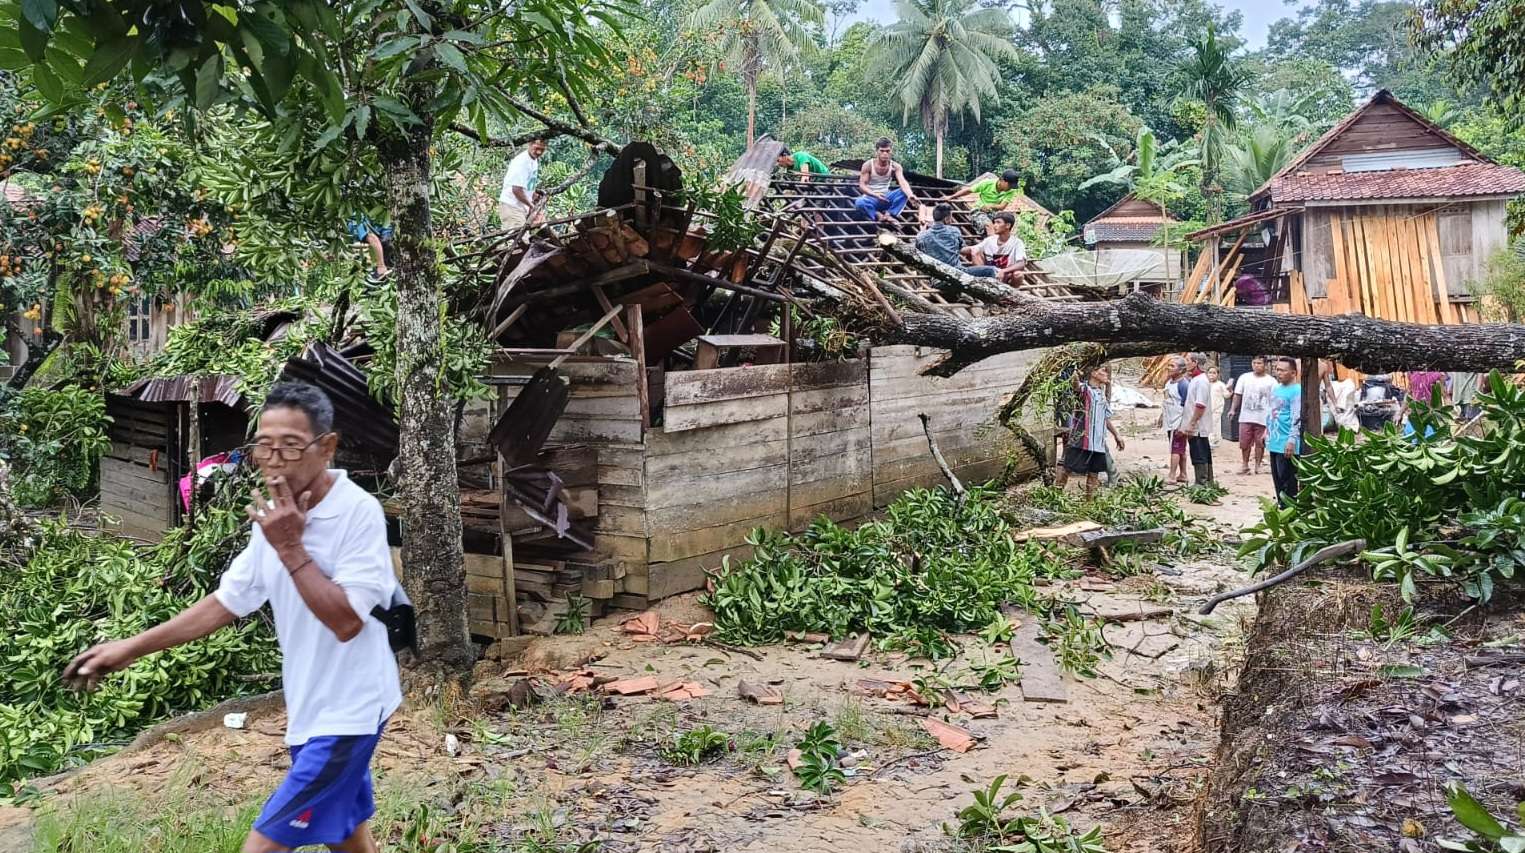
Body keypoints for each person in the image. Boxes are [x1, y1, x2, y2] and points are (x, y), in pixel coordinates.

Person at [64, 383, 401, 853]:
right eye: (264, 446)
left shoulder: (357, 513)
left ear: (326, 448)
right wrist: (129, 648)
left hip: (352, 711)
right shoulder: (274, 521)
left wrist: (291, 549)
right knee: (347, 837)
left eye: (290, 446)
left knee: (263, 844)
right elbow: (227, 603)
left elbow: (346, 621)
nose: (274, 459)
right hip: (309, 706)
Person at [1055, 363, 1125, 497]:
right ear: (1093, 373)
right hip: (1081, 440)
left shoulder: (1102, 395)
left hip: (1097, 442)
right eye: (1103, 370)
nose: (1106, 373)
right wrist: (1076, 370)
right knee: (1067, 468)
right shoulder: (1085, 390)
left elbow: (1105, 417)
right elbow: (1075, 384)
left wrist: (1116, 434)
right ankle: (1055, 496)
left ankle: (1089, 502)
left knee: (1094, 473)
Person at [916, 203, 998, 277]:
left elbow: (919, 250)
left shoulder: (921, 235)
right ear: (947, 219)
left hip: (936, 278)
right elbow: (960, 248)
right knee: (991, 270)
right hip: (957, 275)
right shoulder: (953, 231)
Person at [1228, 356, 1276, 476]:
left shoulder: (1271, 381)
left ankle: (1258, 465)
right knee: (1244, 442)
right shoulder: (1244, 378)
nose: (1256, 365)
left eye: (1259, 363)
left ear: (1265, 365)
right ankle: (1244, 464)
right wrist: (1233, 409)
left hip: (1263, 417)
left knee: (1260, 443)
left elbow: (1275, 400)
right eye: (1254, 363)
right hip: (1246, 416)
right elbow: (1237, 394)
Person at [853, 137, 919, 225]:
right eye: (882, 151)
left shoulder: (895, 166)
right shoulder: (868, 165)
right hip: (871, 197)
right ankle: (878, 215)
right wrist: (875, 195)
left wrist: (910, 195)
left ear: (891, 151)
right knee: (859, 202)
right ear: (877, 151)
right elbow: (862, 186)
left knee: (904, 192)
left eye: (887, 151)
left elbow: (902, 182)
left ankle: (889, 214)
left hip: (886, 197)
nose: (885, 154)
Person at [1266, 356, 1303, 506]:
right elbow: (1271, 411)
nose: (1278, 373)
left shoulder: (1297, 391)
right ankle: (1281, 505)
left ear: (1293, 373)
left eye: (1282, 370)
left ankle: (1290, 508)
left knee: (1288, 478)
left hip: (1287, 441)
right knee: (1277, 478)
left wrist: (1292, 440)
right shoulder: (1276, 388)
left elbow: (1296, 416)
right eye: (1277, 369)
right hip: (1274, 439)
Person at [1177, 352, 1216, 486]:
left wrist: (1192, 423)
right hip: (1196, 424)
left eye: (1188, 360)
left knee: (1199, 452)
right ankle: (1208, 481)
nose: (1185, 362)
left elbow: (1200, 405)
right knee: (1202, 450)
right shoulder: (1194, 379)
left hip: (1198, 426)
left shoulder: (1201, 381)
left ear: (1195, 363)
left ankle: (1202, 482)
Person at [948, 168, 1023, 233]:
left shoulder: (1011, 191)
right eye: (1009, 185)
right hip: (978, 211)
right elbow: (969, 190)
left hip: (993, 214)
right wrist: (951, 196)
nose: (1011, 188)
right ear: (1002, 180)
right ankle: (993, 246)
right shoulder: (987, 183)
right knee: (989, 225)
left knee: (1006, 224)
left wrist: (990, 206)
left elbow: (1002, 206)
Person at [499, 137, 548, 229]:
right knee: (519, 240)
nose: (539, 152)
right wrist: (531, 205)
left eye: (542, 150)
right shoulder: (522, 162)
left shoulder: (533, 160)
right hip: (512, 206)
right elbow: (516, 190)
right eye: (536, 148)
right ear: (529, 144)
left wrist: (533, 195)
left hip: (521, 207)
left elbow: (526, 184)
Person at [1158, 355, 1190, 484]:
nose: (1169, 368)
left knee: (1175, 449)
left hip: (1178, 421)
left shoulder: (1184, 385)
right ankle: (1183, 474)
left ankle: (1172, 475)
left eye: (1172, 366)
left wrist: (1184, 424)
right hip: (1170, 420)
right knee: (1179, 448)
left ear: (1181, 370)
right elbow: (1166, 401)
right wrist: (1162, 416)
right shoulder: (1168, 383)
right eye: (1169, 365)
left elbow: (1187, 405)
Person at [971, 212, 1028, 284]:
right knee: (975, 251)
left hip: (1005, 275)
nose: (995, 226)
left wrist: (1003, 271)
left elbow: (1021, 264)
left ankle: (1010, 291)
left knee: (1018, 275)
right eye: (994, 223)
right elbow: (972, 249)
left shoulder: (1017, 243)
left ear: (1007, 225)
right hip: (988, 272)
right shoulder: (990, 239)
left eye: (998, 223)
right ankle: (982, 281)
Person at [345, 215, 392, 283]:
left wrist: (381, 265)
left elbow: (372, 238)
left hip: (385, 234)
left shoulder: (355, 222)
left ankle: (382, 268)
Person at [1321, 361, 1359, 433]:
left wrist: (1335, 404)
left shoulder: (1323, 366)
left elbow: (1328, 386)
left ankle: (1348, 427)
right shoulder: (1323, 365)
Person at [1207, 366, 1230, 444]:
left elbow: (1226, 395)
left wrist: (1230, 389)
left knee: (1214, 425)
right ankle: (1213, 441)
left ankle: (1212, 442)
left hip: (1217, 409)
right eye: (1210, 372)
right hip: (1206, 410)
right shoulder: (1205, 384)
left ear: (1218, 374)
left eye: (1214, 373)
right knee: (1210, 426)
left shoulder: (1220, 384)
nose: (1212, 375)